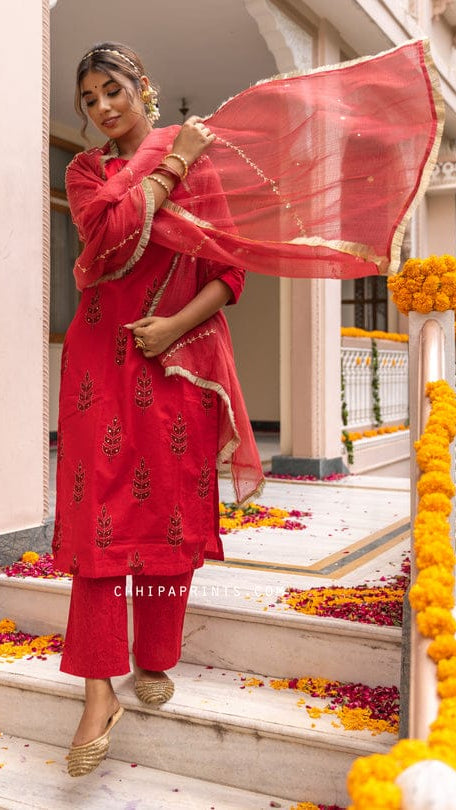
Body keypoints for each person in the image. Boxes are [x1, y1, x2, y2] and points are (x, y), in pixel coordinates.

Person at [53, 42, 258, 777]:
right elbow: (107, 237)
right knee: (96, 521)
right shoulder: (87, 172)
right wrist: (172, 161)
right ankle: (97, 689)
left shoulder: (203, 164)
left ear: (144, 86)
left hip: (173, 364)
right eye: (90, 100)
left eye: (114, 90)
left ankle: (157, 656)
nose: (105, 108)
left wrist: (173, 327)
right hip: (96, 370)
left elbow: (230, 268)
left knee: (168, 513)